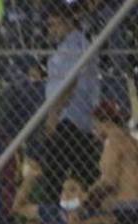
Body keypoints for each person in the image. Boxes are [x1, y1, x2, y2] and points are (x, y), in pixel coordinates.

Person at [39, 2, 101, 202]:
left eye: (53, 25)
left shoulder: (73, 45)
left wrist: (53, 114)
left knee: (54, 175)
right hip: (75, 118)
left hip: (68, 119)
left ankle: (52, 213)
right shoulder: (74, 44)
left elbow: (70, 82)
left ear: (66, 22)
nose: (50, 30)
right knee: (82, 170)